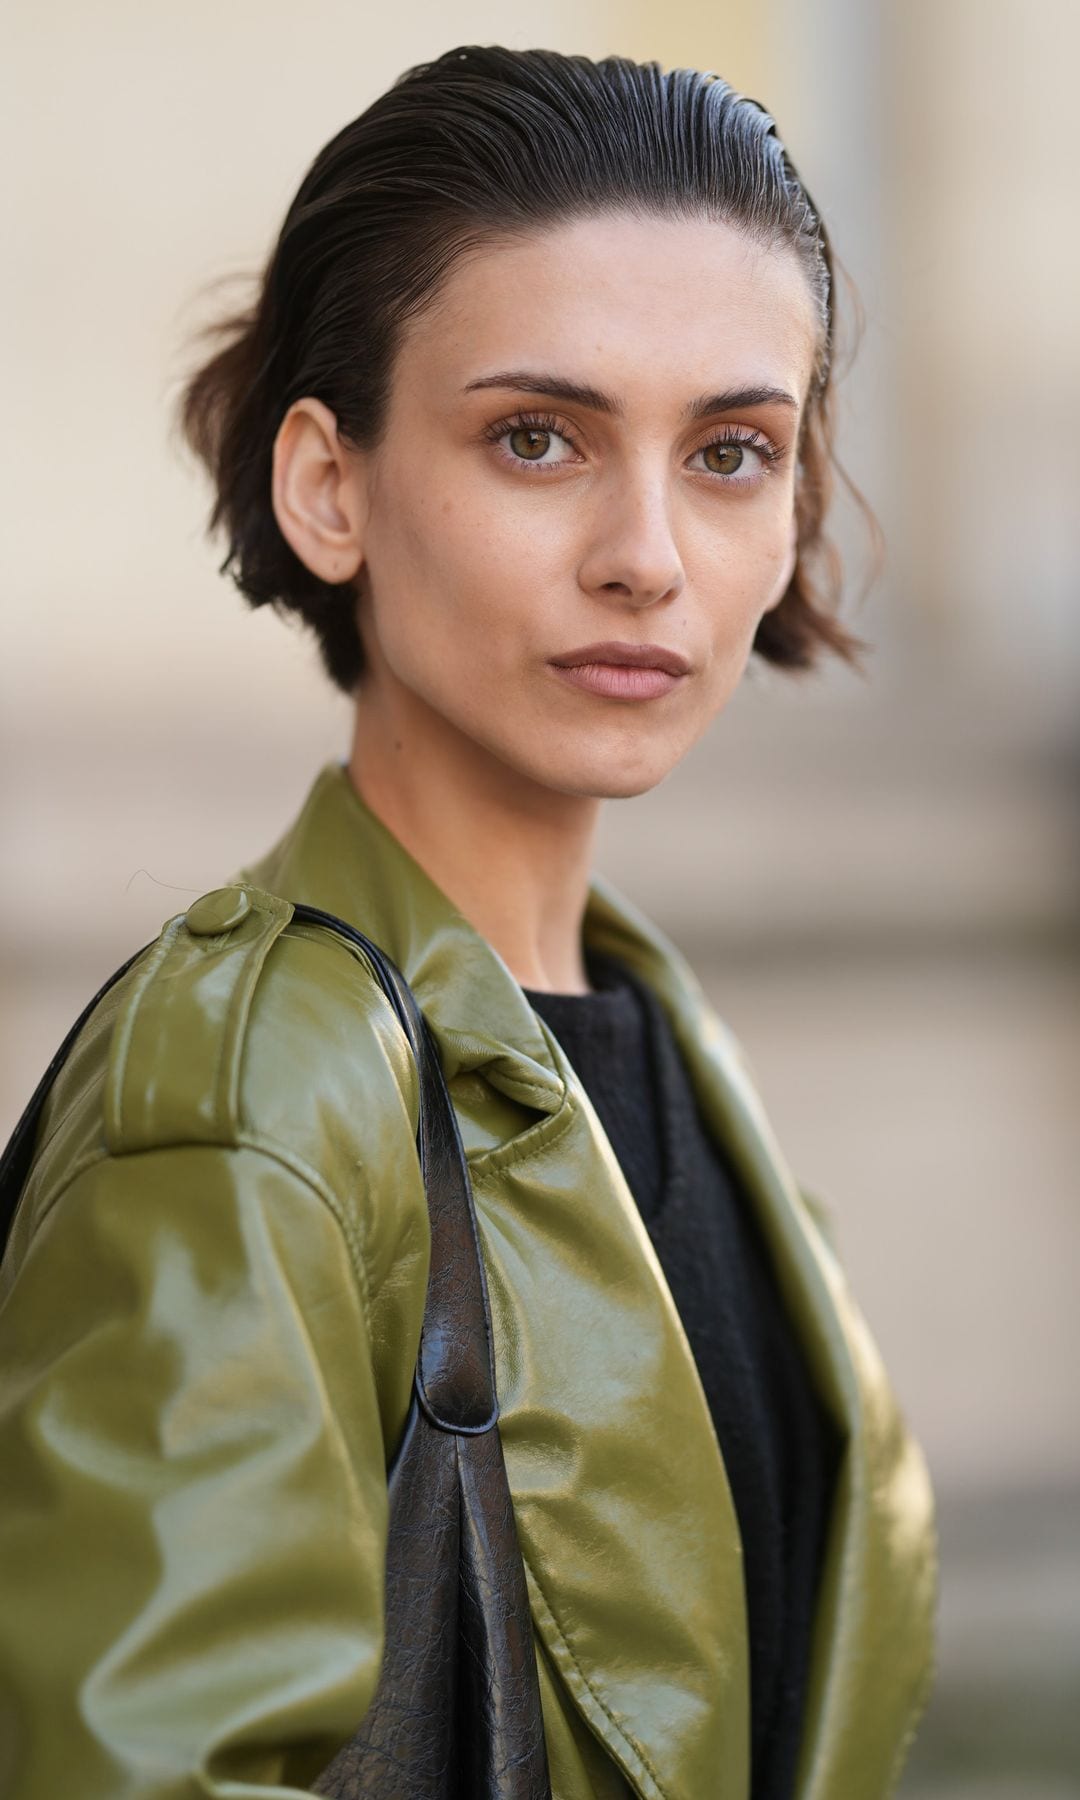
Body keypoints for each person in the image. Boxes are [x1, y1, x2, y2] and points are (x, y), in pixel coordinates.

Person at [0, 44, 937, 1800]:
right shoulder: (247, 1091)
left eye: (732, 451)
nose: (646, 552)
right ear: (328, 487)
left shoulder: (662, 1046)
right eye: (535, 437)